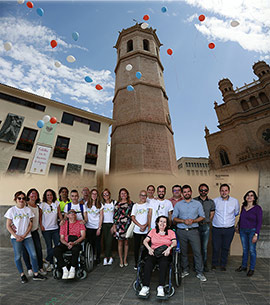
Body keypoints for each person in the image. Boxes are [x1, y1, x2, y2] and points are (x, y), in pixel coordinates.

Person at [5, 191, 46, 283]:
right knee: (18, 257)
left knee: (34, 254)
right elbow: (8, 225)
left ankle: (36, 273)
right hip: (16, 238)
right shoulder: (12, 210)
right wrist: (16, 236)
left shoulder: (28, 210)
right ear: (15, 199)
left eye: (23, 198)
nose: (21, 200)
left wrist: (24, 235)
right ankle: (22, 275)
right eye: (19, 198)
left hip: (27, 237)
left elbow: (30, 225)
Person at [172, 185, 207, 282]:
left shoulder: (197, 203)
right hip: (181, 231)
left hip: (194, 231)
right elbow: (174, 218)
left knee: (197, 252)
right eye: (185, 192)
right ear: (182, 193)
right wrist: (183, 221)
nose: (187, 193)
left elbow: (202, 216)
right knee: (183, 252)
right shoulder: (178, 204)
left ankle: (200, 272)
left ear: (191, 192)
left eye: (188, 191)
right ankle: (185, 270)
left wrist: (194, 221)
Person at [139, 216, 177, 298]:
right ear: (157, 222)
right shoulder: (153, 231)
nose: (162, 223)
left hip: (165, 253)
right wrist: (149, 249)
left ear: (167, 224)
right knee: (148, 263)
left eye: (165, 222)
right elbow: (145, 241)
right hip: (153, 252)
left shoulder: (170, 232)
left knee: (163, 264)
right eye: (161, 221)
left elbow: (174, 242)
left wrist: (169, 249)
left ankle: (161, 287)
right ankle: (145, 287)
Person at [212, 183, 240, 271]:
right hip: (217, 228)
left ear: (229, 191)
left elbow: (236, 213)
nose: (224, 192)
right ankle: (214, 263)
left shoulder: (235, 201)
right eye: (222, 190)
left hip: (229, 229)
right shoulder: (214, 201)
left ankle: (223, 264)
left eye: (226, 190)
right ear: (220, 191)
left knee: (225, 247)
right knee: (216, 247)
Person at [235, 190, 262, 276]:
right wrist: (238, 226)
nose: (249, 197)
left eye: (251, 195)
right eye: (248, 195)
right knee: (245, 249)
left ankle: (252, 268)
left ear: (254, 198)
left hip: (252, 231)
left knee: (252, 250)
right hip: (243, 230)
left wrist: (256, 234)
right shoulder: (243, 207)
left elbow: (259, 222)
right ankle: (243, 266)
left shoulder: (257, 208)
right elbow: (241, 218)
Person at [54, 209, 86, 279]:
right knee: (56, 250)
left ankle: (72, 269)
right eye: (71, 213)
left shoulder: (80, 223)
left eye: (74, 213)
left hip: (76, 242)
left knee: (76, 249)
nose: (73, 214)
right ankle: (64, 269)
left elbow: (83, 236)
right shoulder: (63, 224)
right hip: (66, 243)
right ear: (67, 215)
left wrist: (74, 243)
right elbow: (61, 238)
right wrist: (67, 244)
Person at [22, 188, 46, 276]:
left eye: (35, 194)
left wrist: (40, 226)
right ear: (28, 195)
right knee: (26, 251)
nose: (33, 195)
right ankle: (29, 268)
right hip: (26, 233)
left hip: (34, 231)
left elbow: (39, 218)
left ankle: (40, 267)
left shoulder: (38, 207)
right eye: (32, 194)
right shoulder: (25, 206)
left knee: (38, 250)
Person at [40, 189, 63, 272]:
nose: (49, 196)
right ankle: (52, 263)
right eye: (48, 195)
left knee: (57, 246)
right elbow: (40, 216)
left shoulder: (56, 203)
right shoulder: (42, 205)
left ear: (53, 196)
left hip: (55, 228)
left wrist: (62, 220)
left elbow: (59, 213)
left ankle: (47, 259)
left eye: (51, 195)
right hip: (46, 229)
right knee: (49, 246)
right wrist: (41, 225)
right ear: (45, 196)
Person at [193, 183, 215, 272]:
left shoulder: (211, 202)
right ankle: (196, 265)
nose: (203, 192)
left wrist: (207, 221)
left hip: (206, 226)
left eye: (205, 190)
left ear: (208, 191)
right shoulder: (194, 201)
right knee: (196, 247)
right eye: (201, 190)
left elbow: (212, 213)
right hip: (196, 226)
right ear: (199, 191)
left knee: (204, 248)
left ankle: (204, 265)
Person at [113, 188, 133, 267]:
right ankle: (121, 259)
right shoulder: (117, 204)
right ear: (120, 195)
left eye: (125, 193)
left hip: (127, 225)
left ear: (127, 195)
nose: (123, 195)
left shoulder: (131, 204)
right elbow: (115, 216)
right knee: (120, 242)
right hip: (119, 225)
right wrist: (114, 226)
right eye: (122, 193)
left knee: (126, 242)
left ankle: (125, 259)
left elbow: (133, 214)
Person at [131, 190, 150, 270]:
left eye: (145, 195)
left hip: (146, 230)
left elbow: (150, 216)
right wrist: (140, 226)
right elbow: (133, 217)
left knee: (146, 247)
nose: (143, 197)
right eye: (142, 195)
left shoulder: (149, 205)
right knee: (136, 247)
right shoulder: (135, 205)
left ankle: (144, 262)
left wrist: (145, 226)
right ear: (139, 196)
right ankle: (136, 263)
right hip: (137, 230)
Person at [85, 189, 104, 265]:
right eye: (93, 194)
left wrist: (99, 228)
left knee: (98, 243)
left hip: (97, 227)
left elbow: (101, 217)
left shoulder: (100, 204)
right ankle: (91, 257)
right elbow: (85, 215)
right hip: (89, 227)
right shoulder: (86, 204)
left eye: (95, 194)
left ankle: (98, 257)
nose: (94, 195)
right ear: (90, 195)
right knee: (90, 243)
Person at [101, 188, 116, 266]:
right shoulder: (101, 204)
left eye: (107, 194)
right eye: (104, 194)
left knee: (109, 241)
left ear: (109, 194)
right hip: (104, 224)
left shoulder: (114, 203)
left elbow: (116, 215)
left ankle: (108, 257)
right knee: (105, 241)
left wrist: (114, 225)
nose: (106, 195)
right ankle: (108, 256)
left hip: (111, 224)